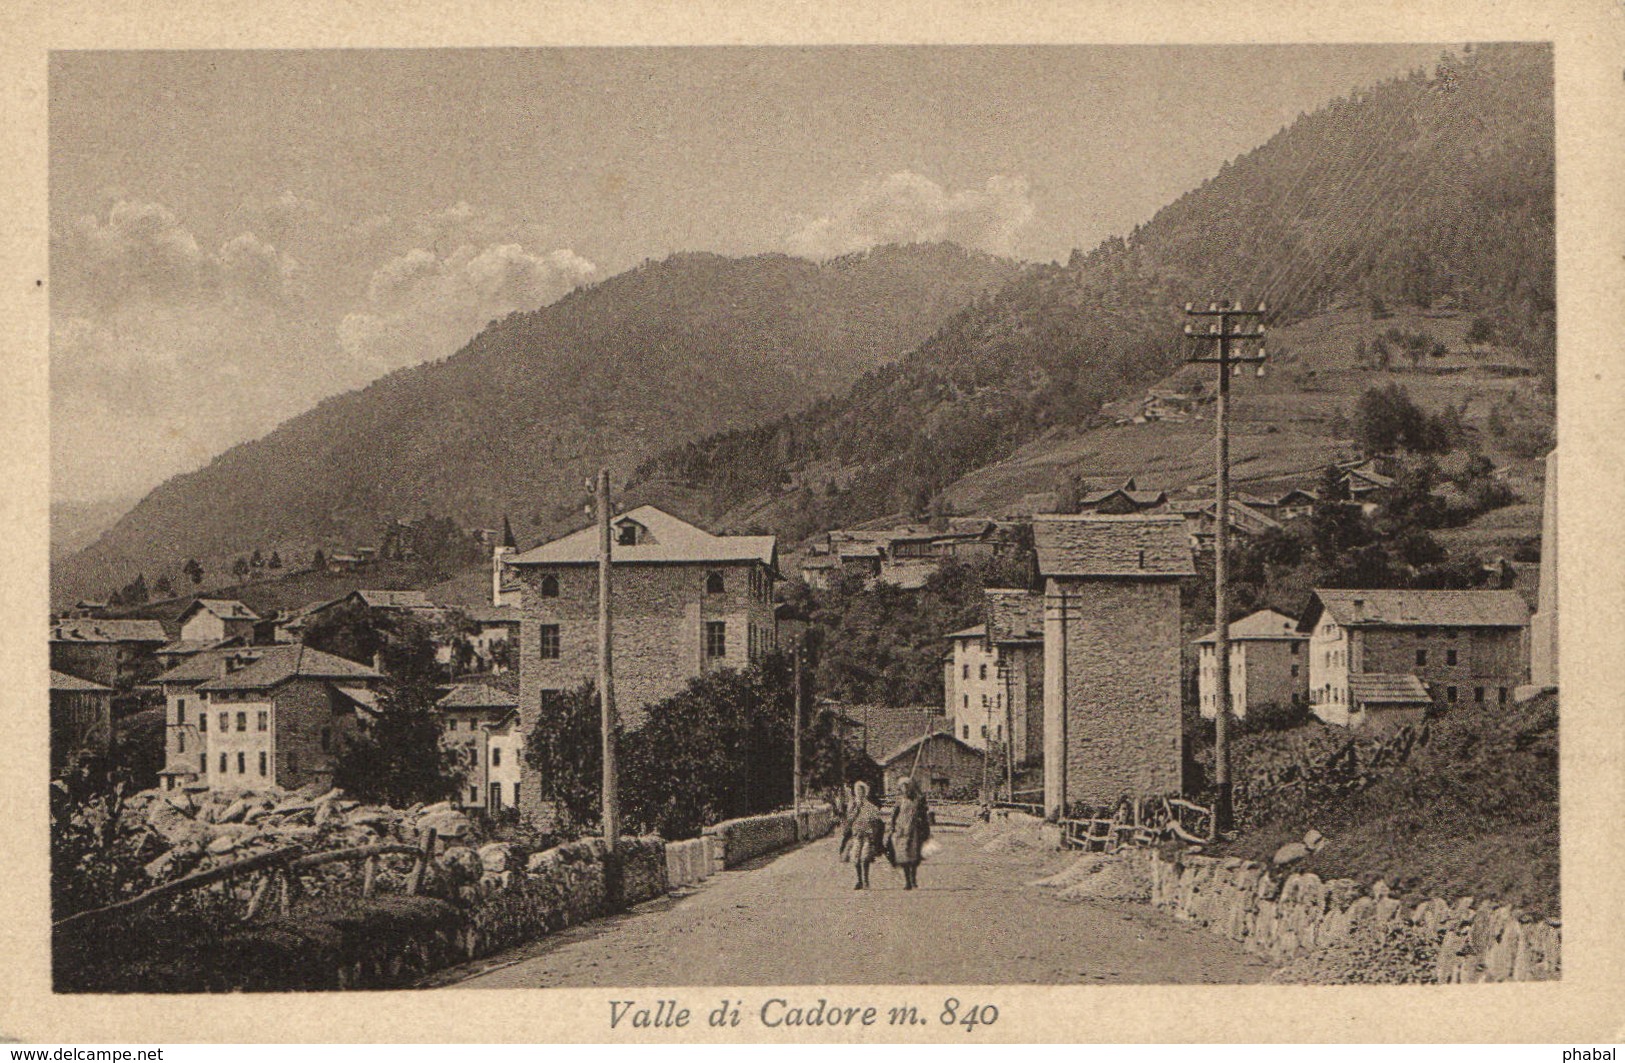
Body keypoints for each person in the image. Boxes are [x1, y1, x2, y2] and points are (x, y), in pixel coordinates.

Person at [838, 780, 886, 890]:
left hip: (867, 835)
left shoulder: (870, 806)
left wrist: (874, 834)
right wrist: (856, 810)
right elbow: (849, 820)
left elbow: (875, 820)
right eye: (857, 790)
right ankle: (859, 880)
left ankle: (866, 880)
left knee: (865, 858)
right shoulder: (853, 805)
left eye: (861, 790)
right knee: (856, 858)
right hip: (856, 835)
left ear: (865, 792)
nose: (859, 792)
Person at [888, 776, 931, 890]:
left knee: (915, 856)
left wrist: (925, 829)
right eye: (903, 787)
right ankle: (907, 881)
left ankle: (913, 878)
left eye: (907, 786)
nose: (905, 789)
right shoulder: (899, 801)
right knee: (904, 855)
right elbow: (893, 815)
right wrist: (892, 826)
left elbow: (924, 815)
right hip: (902, 830)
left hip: (915, 830)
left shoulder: (918, 800)